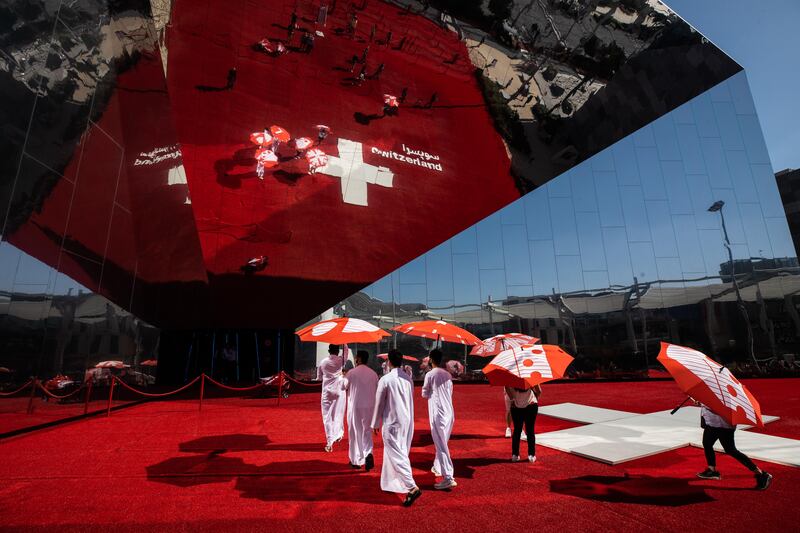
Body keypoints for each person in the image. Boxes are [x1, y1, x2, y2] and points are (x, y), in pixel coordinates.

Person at [371, 349, 421, 506]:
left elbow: (379, 403)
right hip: (406, 421)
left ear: (389, 361)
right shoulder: (408, 379)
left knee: (397, 454)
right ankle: (390, 482)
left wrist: (375, 423)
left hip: (392, 422)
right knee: (398, 452)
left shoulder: (385, 380)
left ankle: (411, 486)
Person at [696, 401, 772, 490]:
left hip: (722, 425)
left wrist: (703, 404)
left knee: (730, 450)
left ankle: (761, 474)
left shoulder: (723, 393)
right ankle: (712, 470)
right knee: (708, 444)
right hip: (716, 424)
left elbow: (719, 406)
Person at [422, 349, 456, 490]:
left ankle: (448, 477)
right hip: (449, 413)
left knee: (441, 445)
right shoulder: (447, 374)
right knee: (442, 443)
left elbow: (424, 393)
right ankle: (438, 467)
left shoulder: (430, 374)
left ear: (431, 359)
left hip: (438, 414)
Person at [343, 350, 378, 470]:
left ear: (358, 359)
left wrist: (342, 376)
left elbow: (343, 386)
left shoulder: (352, 373)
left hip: (355, 406)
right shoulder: (373, 374)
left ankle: (356, 460)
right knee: (367, 432)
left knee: (354, 432)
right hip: (369, 406)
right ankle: (368, 453)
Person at [318, 344, 348, 452]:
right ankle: (338, 434)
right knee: (338, 413)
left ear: (328, 350)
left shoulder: (323, 362)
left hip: (327, 392)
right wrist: (344, 342)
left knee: (327, 417)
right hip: (339, 390)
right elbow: (346, 352)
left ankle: (330, 441)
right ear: (337, 350)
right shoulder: (341, 360)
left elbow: (319, 377)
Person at [505, 384, 540, 462]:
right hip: (531, 405)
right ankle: (531, 455)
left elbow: (506, 387)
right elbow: (539, 391)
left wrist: (512, 399)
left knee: (517, 430)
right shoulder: (529, 375)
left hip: (516, 407)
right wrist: (536, 398)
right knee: (530, 430)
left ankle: (515, 455)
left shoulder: (511, 377)